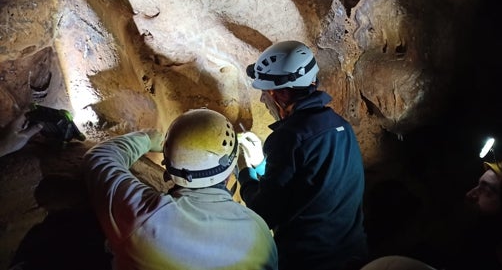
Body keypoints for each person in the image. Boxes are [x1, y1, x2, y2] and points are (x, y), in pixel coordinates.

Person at [82, 108, 278, 270]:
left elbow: (100, 157)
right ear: (229, 172)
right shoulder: (259, 233)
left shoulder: (142, 215)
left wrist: (148, 139)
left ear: (168, 165)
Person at [238, 40, 368, 270]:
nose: (262, 100)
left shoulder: (289, 138)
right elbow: (310, 186)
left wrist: (246, 175)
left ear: (281, 95)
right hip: (352, 252)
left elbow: (264, 213)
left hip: (309, 260)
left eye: (265, 92)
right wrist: (260, 164)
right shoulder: (341, 127)